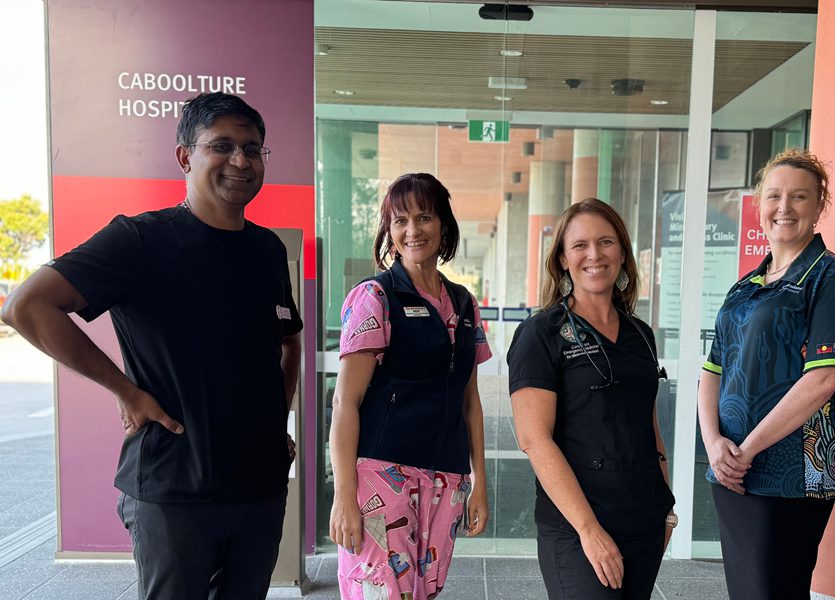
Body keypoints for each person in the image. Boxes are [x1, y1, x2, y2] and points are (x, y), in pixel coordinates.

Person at [0, 92, 302, 600]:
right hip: (175, 487)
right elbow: (26, 307)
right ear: (185, 156)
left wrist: (277, 421)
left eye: (253, 149)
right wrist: (126, 390)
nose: (240, 161)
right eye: (222, 146)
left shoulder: (267, 249)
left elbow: (288, 344)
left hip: (259, 487)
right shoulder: (140, 241)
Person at [698, 149, 835, 599]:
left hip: (795, 471)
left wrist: (745, 450)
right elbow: (713, 369)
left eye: (799, 196)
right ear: (759, 205)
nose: (784, 207)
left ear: (819, 206)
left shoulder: (834, 279)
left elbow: (823, 380)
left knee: (775, 591)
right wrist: (715, 445)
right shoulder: (745, 286)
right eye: (774, 196)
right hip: (733, 469)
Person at [328, 173, 491, 600]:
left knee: (425, 593)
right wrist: (344, 495)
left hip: (447, 478)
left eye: (424, 217)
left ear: (444, 227)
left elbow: (469, 401)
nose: (412, 230)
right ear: (389, 232)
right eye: (400, 221)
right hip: (382, 478)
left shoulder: (463, 302)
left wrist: (480, 484)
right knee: (379, 592)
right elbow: (345, 401)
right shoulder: (375, 298)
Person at [507, 199, 676, 600]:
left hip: (643, 518)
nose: (594, 255)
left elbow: (648, 426)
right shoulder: (540, 334)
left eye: (605, 242)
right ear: (563, 259)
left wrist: (665, 509)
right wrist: (589, 530)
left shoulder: (640, 334)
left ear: (621, 253)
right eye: (580, 245)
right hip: (576, 524)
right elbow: (534, 440)